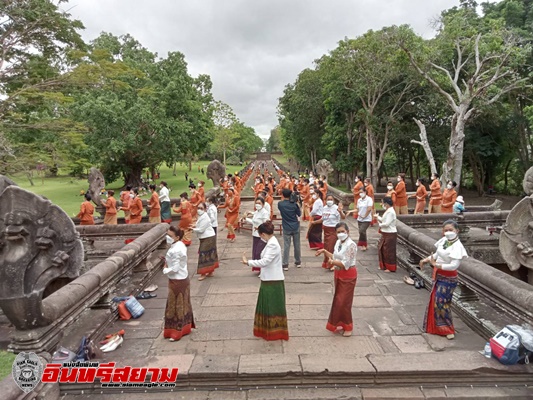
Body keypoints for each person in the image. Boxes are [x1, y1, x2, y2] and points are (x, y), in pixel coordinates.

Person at [419, 220, 468, 340]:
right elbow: (437, 254)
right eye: (445, 230)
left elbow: (454, 265)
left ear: (457, 231)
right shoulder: (445, 241)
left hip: (448, 278)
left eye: (450, 230)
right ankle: (436, 328)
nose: (448, 232)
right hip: (438, 275)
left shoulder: (458, 246)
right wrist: (425, 260)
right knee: (435, 301)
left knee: (442, 302)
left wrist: (436, 265)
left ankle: (447, 329)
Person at [241, 221, 289, 341]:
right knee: (268, 305)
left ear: (262, 234)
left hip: (272, 279)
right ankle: (268, 330)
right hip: (269, 278)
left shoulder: (272, 245)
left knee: (271, 306)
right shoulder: (271, 242)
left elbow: (265, 262)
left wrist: (248, 262)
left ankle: (274, 332)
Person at [315, 222, 357, 337]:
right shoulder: (338, 242)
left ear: (347, 232)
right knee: (338, 300)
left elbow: (345, 263)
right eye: (338, 232)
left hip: (348, 274)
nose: (340, 234)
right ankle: (340, 323)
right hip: (338, 274)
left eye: (342, 231)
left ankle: (348, 326)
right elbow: (334, 256)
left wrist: (333, 262)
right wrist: (324, 251)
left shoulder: (351, 245)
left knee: (344, 301)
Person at [162, 226, 195, 341]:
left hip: (177, 280)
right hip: (181, 278)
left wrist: (165, 269)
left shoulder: (177, 249)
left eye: (170, 236)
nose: (168, 237)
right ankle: (183, 328)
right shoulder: (180, 245)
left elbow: (175, 268)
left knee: (176, 306)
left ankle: (176, 332)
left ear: (177, 237)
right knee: (182, 304)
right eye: (167, 235)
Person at [192, 202, 219, 281]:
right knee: (209, 254)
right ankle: (210, 272)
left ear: (205, 209)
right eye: (198, 208)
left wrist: (192, 229)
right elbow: (199, 225)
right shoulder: (201, 216)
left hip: (208, 238)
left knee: (203, 254)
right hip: (206, 237)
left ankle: (203, 273)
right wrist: (194, 226)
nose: (199, 210)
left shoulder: (205, 217)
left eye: (201, 208)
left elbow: (201, 230)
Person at [277, 188, 302, 271]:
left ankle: (285, 264)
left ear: (283, 195)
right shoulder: (294, 204)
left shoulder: (280, 204)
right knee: (297, 244)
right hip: (295, 226)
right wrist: (297, 203)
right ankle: (298, 261)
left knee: (286, 246)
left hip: (286, 226)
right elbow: (299, 214)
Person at [320, 195, 346, 270]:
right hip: (326, 230)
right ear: (325, 200)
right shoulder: (324, 208)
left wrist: (340, 211)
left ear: (333, 201)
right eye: (328, 199)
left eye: (331, 199)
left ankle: (333, 264)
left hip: (333, 229)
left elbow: (343, 217)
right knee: (326, 246)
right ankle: (327, 262)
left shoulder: (336, 208)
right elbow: (323, 219)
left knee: (331, 247)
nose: (329, 201)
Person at [244, 197, 270, 274]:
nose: (257, 205)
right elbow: (254, 222)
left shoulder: (264, 213)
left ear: (263, 204)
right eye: (256, 203)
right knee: (255, 252)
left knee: (260, 252)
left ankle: (263, 269)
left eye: (259, 203)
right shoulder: (257, 212)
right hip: (255, 234)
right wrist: (246, 219)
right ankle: (258, 268)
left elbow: (265, 223)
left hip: (261, 235)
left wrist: (260, 228)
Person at [377, 197, 397, 272]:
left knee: (389, 251)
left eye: (383, 203)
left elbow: (387, 224)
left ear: (386, 204)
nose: (382, 204)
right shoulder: (388, 211)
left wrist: (380, 225)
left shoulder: (391, 212)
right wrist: (377, 217)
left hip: (390, 233)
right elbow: (383, 219)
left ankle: (390, 267)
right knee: (382, 248)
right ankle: (383, 265)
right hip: (385, 233)